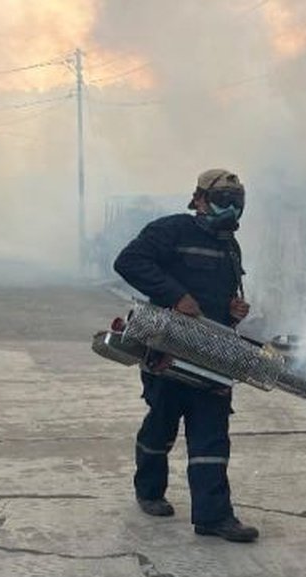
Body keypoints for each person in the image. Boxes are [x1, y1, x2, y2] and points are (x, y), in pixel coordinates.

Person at [113, 169, 258, 543]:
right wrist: (175, 295)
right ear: (198, 199)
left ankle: (214, 516)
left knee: (212, 433)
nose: (230, 210)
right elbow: (128, 262)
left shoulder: (230, 246)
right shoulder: (171, 230)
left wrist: (233, 310)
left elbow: (221, 301)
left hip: (212, 355)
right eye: (223, 201)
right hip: (167, 351)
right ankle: (149, 490)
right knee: (162, 424)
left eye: (236, 204)